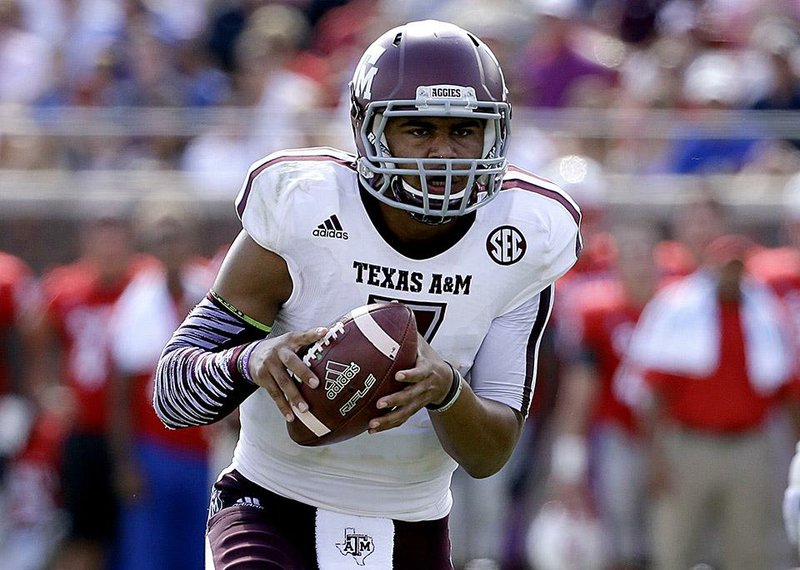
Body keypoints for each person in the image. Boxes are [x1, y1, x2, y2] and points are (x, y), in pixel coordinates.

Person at [152, 19, 581, 569]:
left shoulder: (524, 237)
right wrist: (253, 360)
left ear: (493, 134)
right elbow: (172, 395)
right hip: (271, 501)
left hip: (414, 520)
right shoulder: (303, 208)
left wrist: (447, 389)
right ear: (371, 131)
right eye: (419, 130)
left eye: (463, 131)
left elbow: (490, 453)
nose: (444, 154)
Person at [620, 233, 799, 570]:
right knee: (676, 548)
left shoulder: (766, 312)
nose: (730, 274)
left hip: (749, 447)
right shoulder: (678, 308)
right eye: (724, 266)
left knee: (749, 552)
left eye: (737, 266)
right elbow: (652, 394)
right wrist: (655, 456)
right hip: (688, 446)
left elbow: (788, 390)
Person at [107, 197, 215, 570]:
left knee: (202, 551)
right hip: (155, 449)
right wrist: (125, 461)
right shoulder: (135, 301)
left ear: (192, 240)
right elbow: (120, 393)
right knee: (149, 554)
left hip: (206, 450)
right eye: (161, 237)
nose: (170, 246)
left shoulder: (213, 290)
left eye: (177, 236)